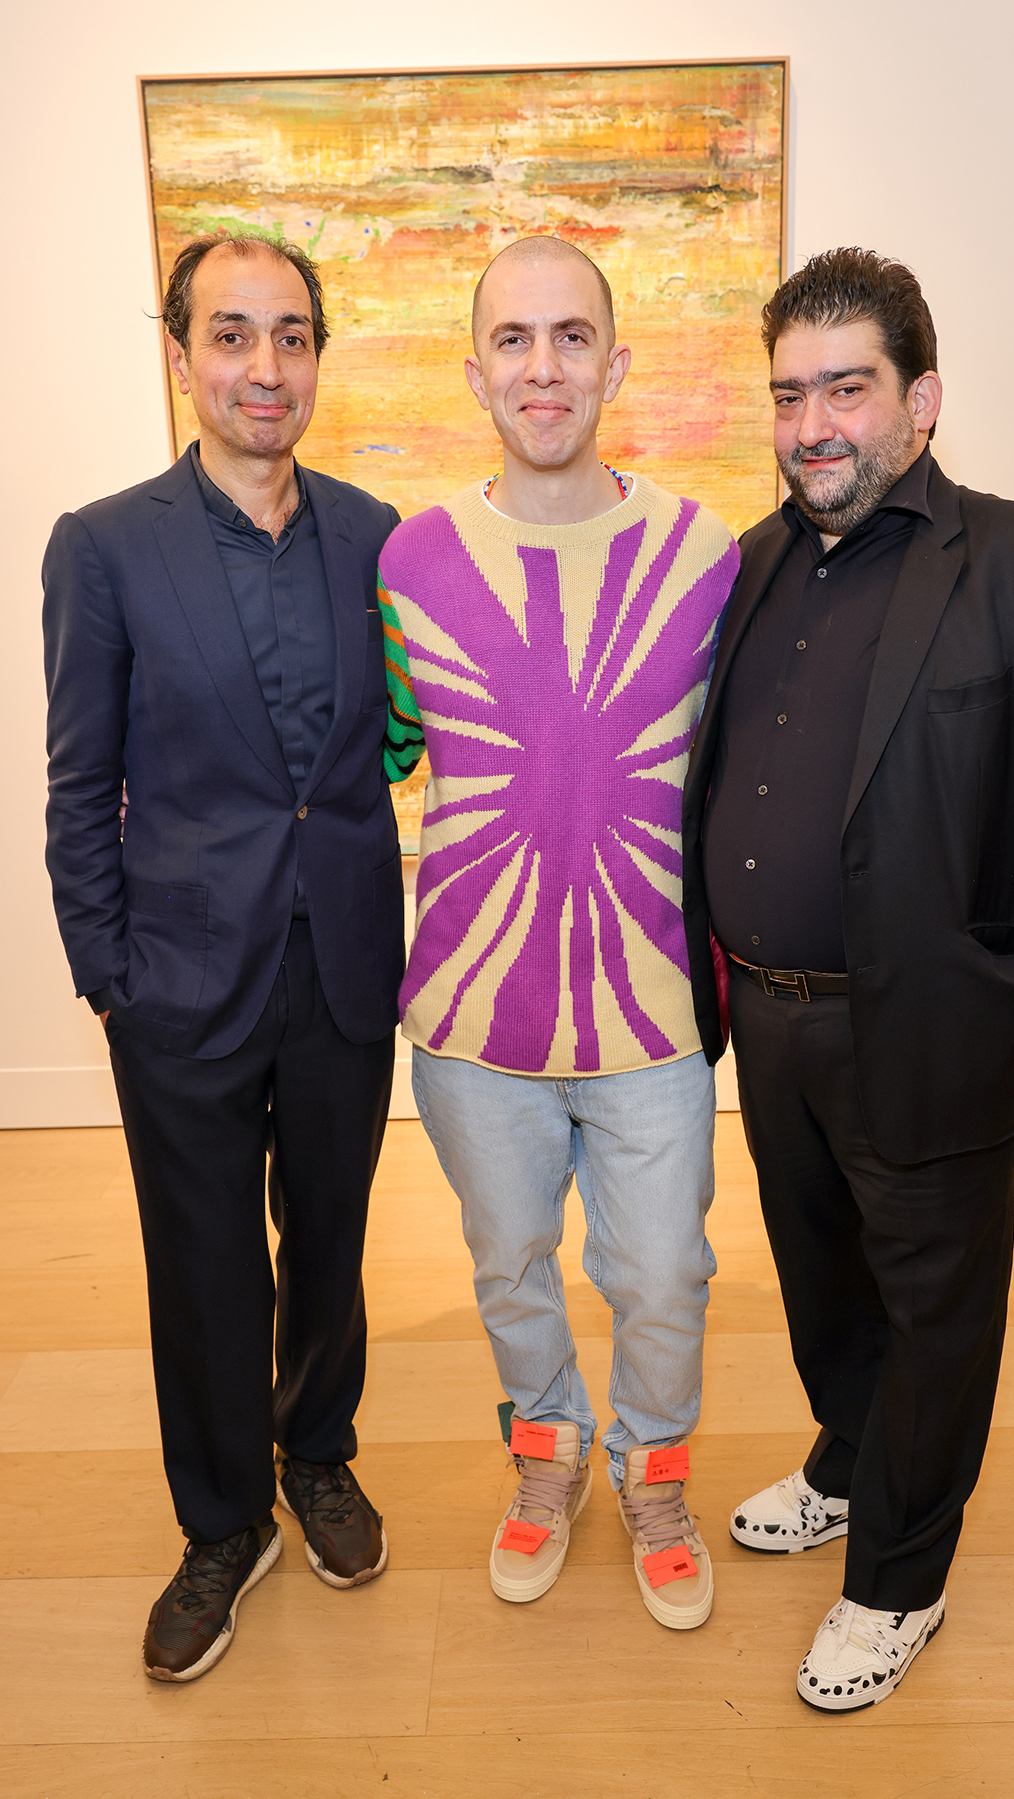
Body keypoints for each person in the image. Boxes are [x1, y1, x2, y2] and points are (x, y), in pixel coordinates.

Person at [681, 248, 1014, 1708]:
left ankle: (900, 1580)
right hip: (768, 1020)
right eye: (790, 394)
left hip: (942, 1024)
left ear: (923, 399)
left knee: (937, 1308)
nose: (813, 423)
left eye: (848, 387)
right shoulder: (753, 564)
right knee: (821, 1282)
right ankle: (852, 1457)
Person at [43, 233, 420, 1682]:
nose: (267, 366)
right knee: (202, 1265)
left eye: (295, 336)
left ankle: (317, 1454)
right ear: (184, 352)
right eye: (234, 335)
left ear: (320, 355)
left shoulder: (381, 535)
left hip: (341, 967)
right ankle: (222, 1522)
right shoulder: (103, 545)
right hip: (179, 979)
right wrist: (107, 974)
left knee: (328, 1239)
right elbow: (81, 783)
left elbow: (394, 745)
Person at [376, 237, 738, 1629]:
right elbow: (377, 759)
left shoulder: (706, 560)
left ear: (616, 362)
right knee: (508, 1268)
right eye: (515, 342)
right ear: (477, 374)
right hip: (471, 1024)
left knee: (662, 1276)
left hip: (650, 1017)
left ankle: (655, 1469)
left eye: (571, 337)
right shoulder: (410, 562)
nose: (544, 367)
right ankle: (549, 1454)